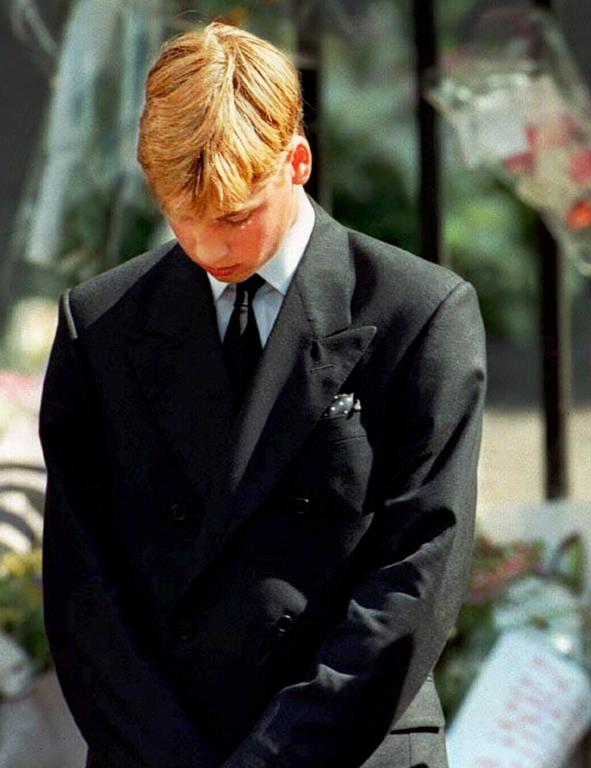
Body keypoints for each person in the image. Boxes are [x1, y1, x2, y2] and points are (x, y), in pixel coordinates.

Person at [39, 21, 485, 768]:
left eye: (235, 215)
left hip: (352, 745)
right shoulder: (101, 326)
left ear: (297, 161)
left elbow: (419, 573)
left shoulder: (420, 313)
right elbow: (83, 589)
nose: (209, 247)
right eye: (182, 218)